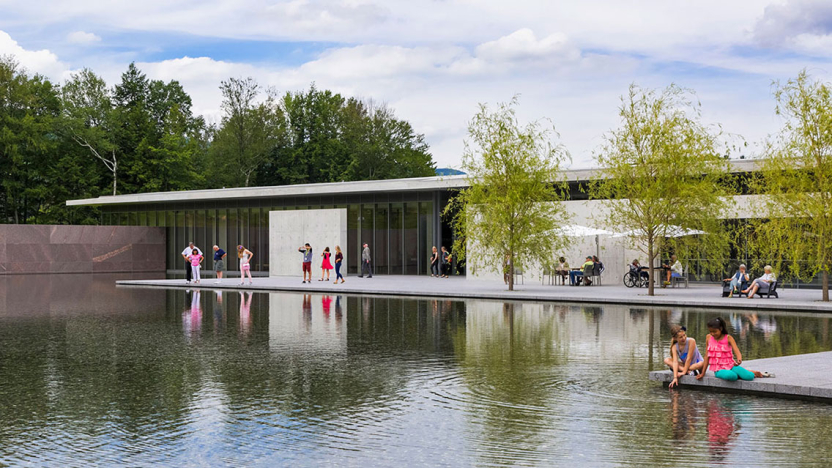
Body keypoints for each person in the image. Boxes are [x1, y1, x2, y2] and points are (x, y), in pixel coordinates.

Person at [697, 317, 755, 382]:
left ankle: (748, 372)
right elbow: (707, 356)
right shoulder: (708, 337)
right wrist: (703, 373)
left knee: (750, 376)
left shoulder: (728, 338)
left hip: (731, 365)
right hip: (718, 369)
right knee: (732, 376)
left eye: (715, 331)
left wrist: (739, 359)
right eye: (710, 332)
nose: (712, 334)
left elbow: (736, 350)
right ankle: (738, 374)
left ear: (721, 329)